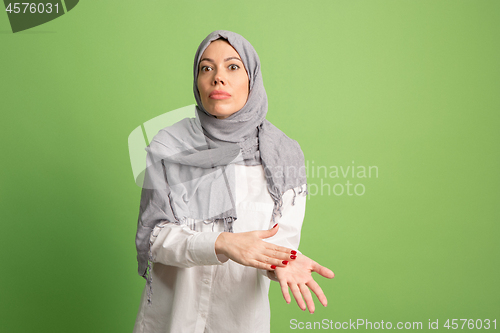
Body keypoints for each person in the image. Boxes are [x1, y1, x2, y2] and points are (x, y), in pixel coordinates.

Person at [133, 30, 334, 333]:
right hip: (172, 321)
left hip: (239, 322)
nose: (218, 78)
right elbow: (154, 240)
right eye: (206, 67)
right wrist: (221, 243)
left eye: (233, 66)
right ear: (197, 81)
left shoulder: (284, 155)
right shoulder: (169, 146)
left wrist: (283, 261)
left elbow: (279, 241)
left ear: (252, 79)